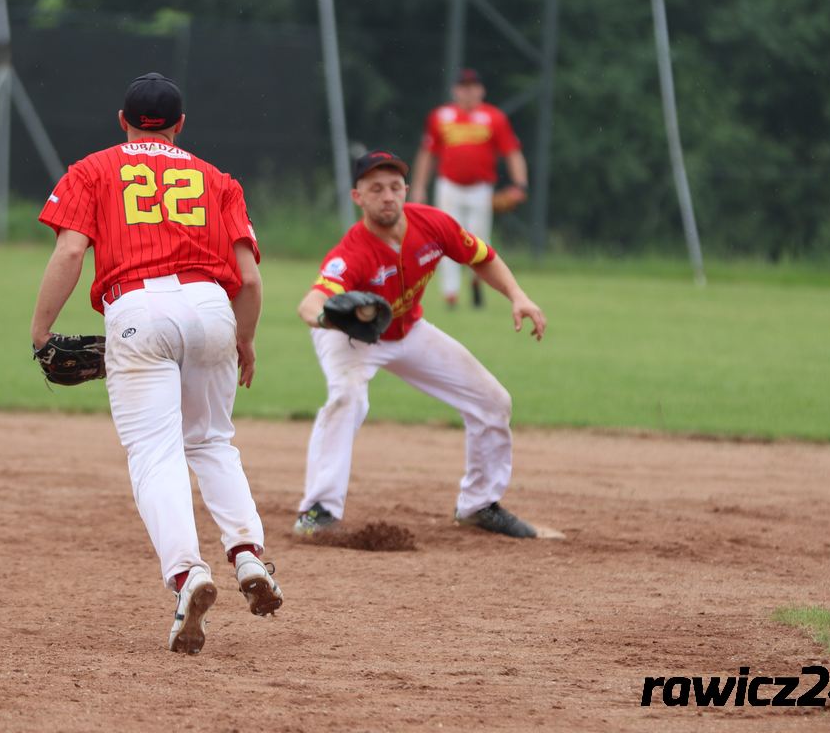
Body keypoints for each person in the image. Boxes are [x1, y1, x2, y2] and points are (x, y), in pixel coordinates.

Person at [29, 72, 282, 655]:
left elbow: (70, 250)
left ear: (121, 120)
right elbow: (248, 278)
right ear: (181, 125)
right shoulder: (218, 179)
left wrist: (41, 331)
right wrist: (243, 341)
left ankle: (188, 574)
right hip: (212, 308)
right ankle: (248, 557)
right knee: (213, 441)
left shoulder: (92, 170)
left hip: (139, 307)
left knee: (155, 452)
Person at [293, 150, 563, 540]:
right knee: (347, 398)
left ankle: (479, 505)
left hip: (408, 330)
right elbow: (310, 303)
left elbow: (481, 256)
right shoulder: (352, 252)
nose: (387, 196)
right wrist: (327, 318)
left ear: (405, 190)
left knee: (493, 400)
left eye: (394, 187)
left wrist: (517, 295)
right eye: (376, 189)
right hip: (350, 337)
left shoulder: (433, 224)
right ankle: (319, 510)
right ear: (358, 197)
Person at [410, 68, 528, 309]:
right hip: (448, 186)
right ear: (455, 90)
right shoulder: (441, 116)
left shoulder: (494, 117)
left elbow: (512, 152)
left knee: (479, 240)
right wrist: (419, 186)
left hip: (480, 189)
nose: (468, 91)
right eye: (463, 86)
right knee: (445, 239)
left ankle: (477, 281)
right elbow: (428, 154)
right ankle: (450, 293)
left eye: (473, 86)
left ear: (481, 90)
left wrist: (520, 184)